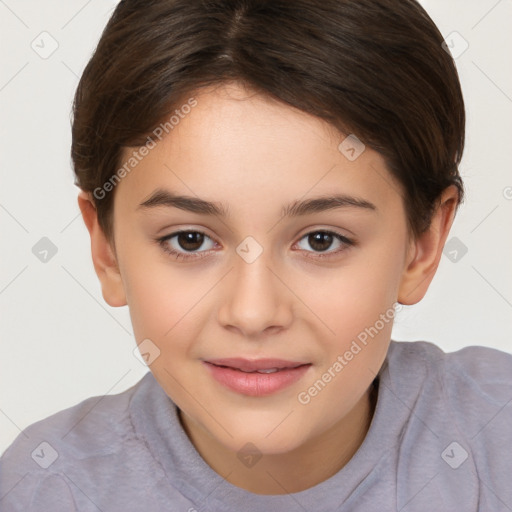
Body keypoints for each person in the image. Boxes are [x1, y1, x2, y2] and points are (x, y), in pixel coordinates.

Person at [1, 0, 511, 510]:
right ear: (106, 250)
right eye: (190, 240)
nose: (253, 313)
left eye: (321, 240)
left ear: (422, 246)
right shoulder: (45, 489)